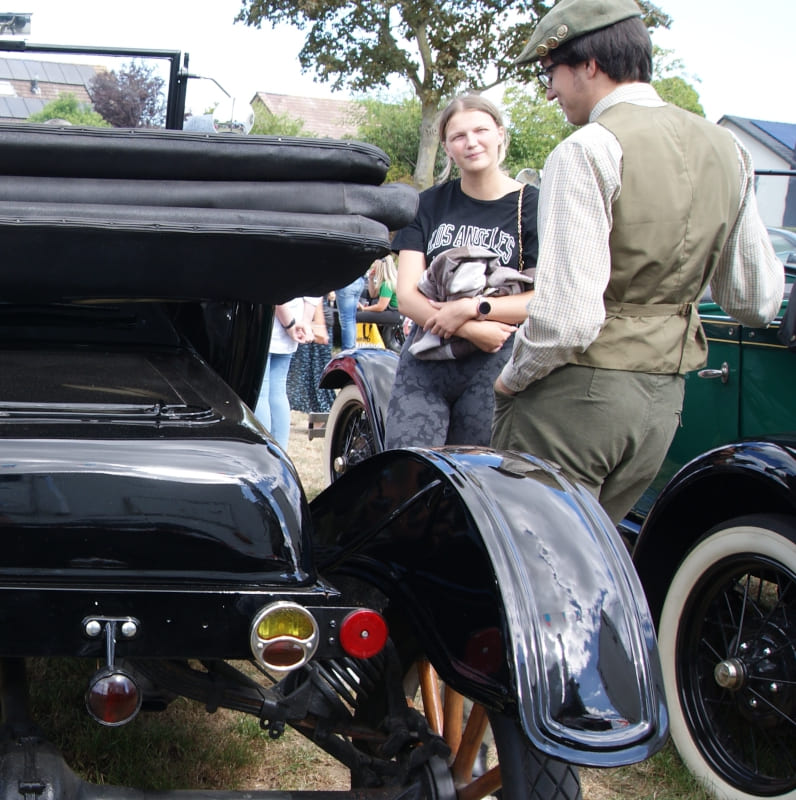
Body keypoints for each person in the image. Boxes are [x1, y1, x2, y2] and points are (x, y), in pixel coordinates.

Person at [492, 0, 784, 522]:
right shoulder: (730, 149)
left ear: (589, 65)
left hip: (578, 398)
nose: (551, 90)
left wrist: (512, 378)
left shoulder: (587, 149)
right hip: (663, 403)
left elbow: (569, 321)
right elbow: (756, 299)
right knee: (596, 564)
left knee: (533, 568)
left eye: (550, 73)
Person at [388, 94, 538, 449]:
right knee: (408, 469)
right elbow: (407, 296)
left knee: (474, 479)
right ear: (446, 147)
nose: (471, 143)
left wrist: (473, 308)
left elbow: (540, 299)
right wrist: (469, 327)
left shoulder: (531, 205)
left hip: (495, 359)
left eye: (481, 130)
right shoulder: (427, 203)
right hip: (426, 357)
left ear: (500, 134)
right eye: (458, 136)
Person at [255, 297, 306, 448]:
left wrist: (289, 324)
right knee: (277, 391)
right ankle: (280, 451)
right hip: (296, 320)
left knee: (261, 393)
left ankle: (263, 449)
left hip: (271, 324)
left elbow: (274, 293)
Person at [288, 296, 335, 415]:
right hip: (310, 321)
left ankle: (319, 420)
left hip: (311, 321)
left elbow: (316, 292)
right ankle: (319, 420)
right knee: (316, 378)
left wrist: (319, 324)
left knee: (316, 378)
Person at [332, 273, 368, 351]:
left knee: (346, 320)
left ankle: (348, 350)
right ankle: (352, 348)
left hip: (346, 282)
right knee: (351, 319)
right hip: (359, 280)